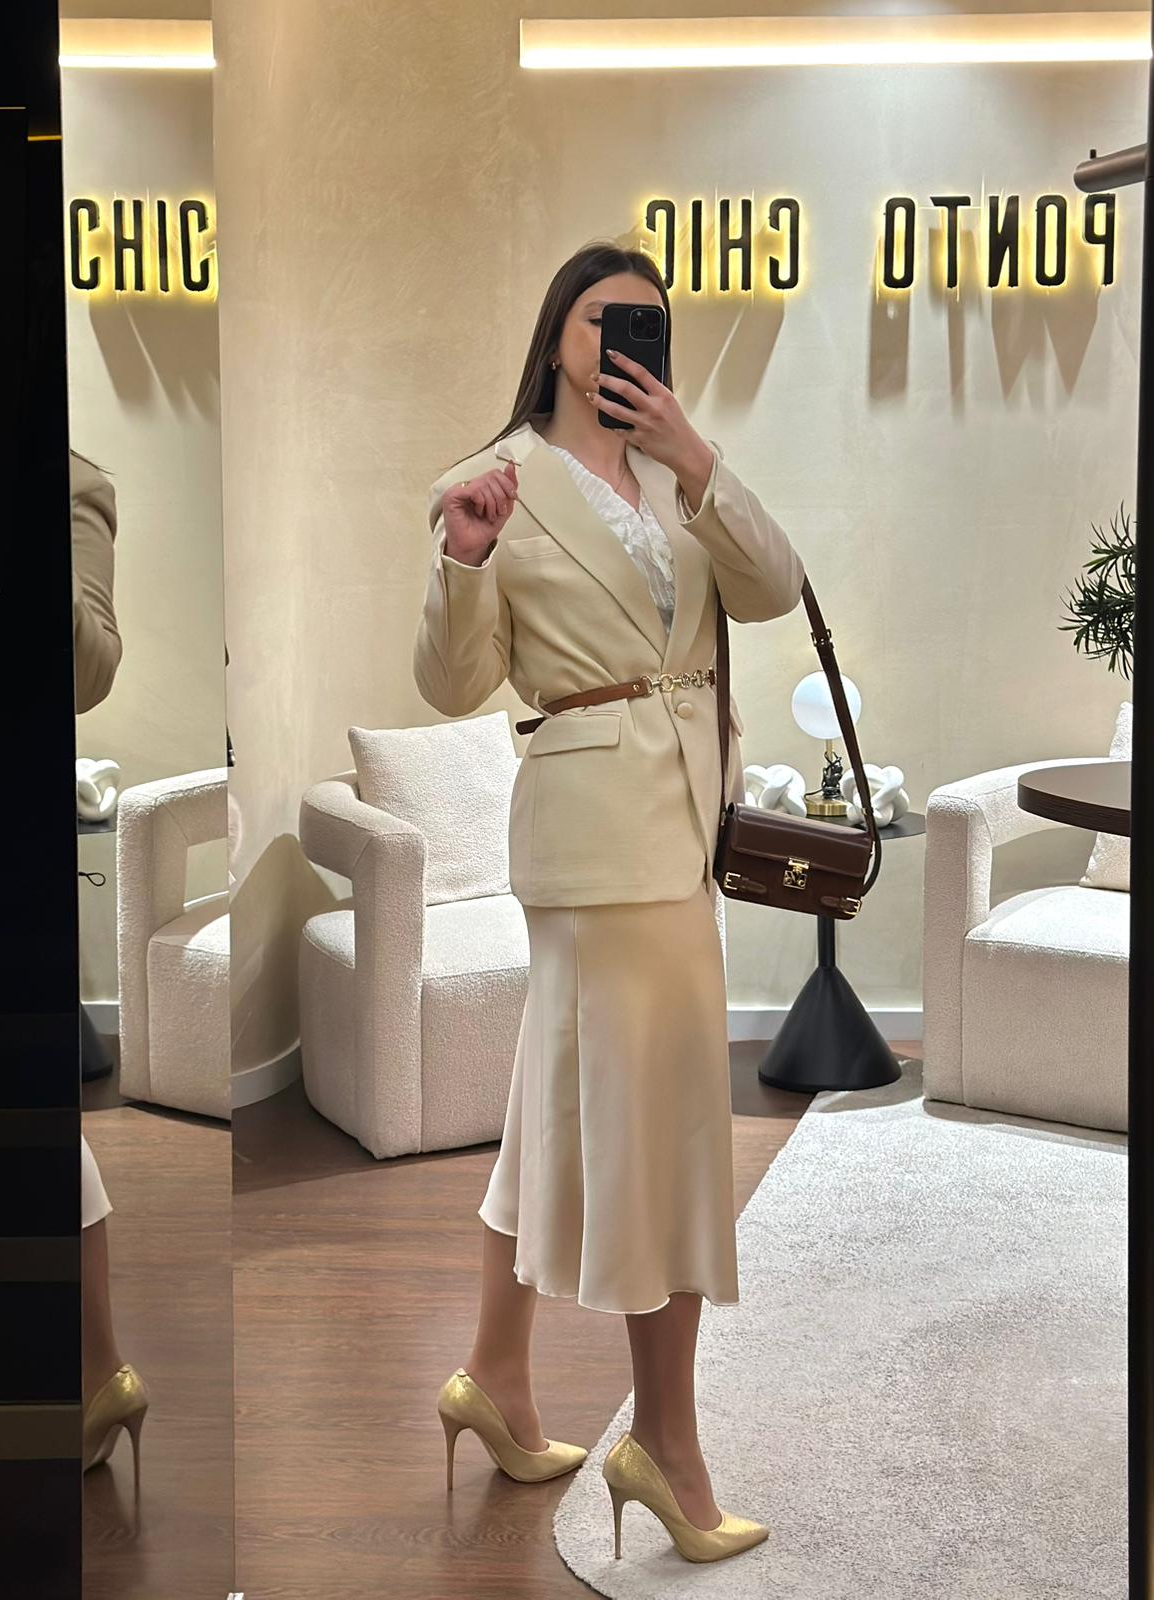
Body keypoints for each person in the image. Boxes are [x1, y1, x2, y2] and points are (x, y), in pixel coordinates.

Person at [415, 242, 806, 1565]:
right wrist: (465, 560)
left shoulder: (677, 476)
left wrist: (697, 460)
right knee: (669, 1134)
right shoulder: (494, 481)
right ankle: (669, 1449)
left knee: (557, 1106)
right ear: (557, 336)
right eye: (602, 316)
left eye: (647, 320)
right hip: (595, 842)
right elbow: (450, 682)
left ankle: (494, 1377)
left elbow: (775, 589)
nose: (626, 336)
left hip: (681, 830)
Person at [70, 446, 150, 1491]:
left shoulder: (69, 483)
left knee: (19, 1099)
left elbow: (88, 671)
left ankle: (98, 1368)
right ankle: (98, 1373)